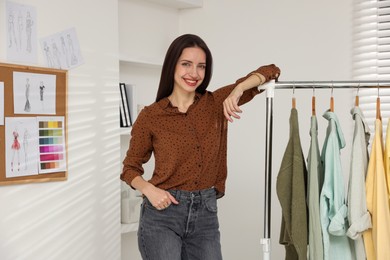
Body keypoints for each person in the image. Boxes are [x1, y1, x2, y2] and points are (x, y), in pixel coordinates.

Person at [120, 34, 280, 260]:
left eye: (201, 66)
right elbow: (130, 168)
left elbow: (272, 71)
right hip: (162, 218)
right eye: (186, 64)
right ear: (172, 66)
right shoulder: (151, 116)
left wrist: (238, 89)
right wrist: (148, 189)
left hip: (205, 214)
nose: (194, 73)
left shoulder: (216, 103)